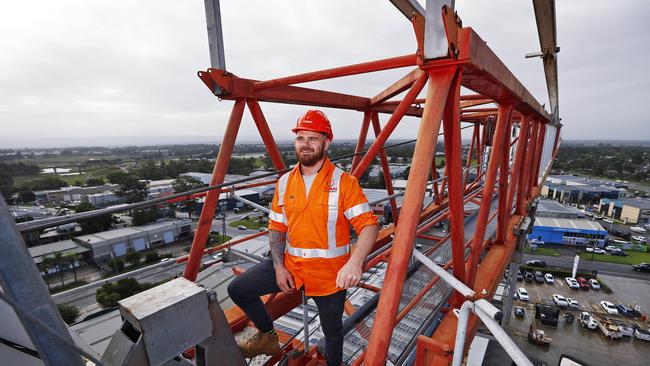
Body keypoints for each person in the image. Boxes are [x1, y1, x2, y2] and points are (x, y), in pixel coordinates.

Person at [227, 110, 379, 365]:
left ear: (326, 142)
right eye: (300, 138)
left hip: (329, 275)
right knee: (238, 289)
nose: (305, 144)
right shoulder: (285, 182)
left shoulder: (344, 183)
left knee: (332, 332)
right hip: (292, 267)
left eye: (313, 138)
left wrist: (355, 262)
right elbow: (277, 227)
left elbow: (369, 226)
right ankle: (267, 335)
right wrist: (277, 266)